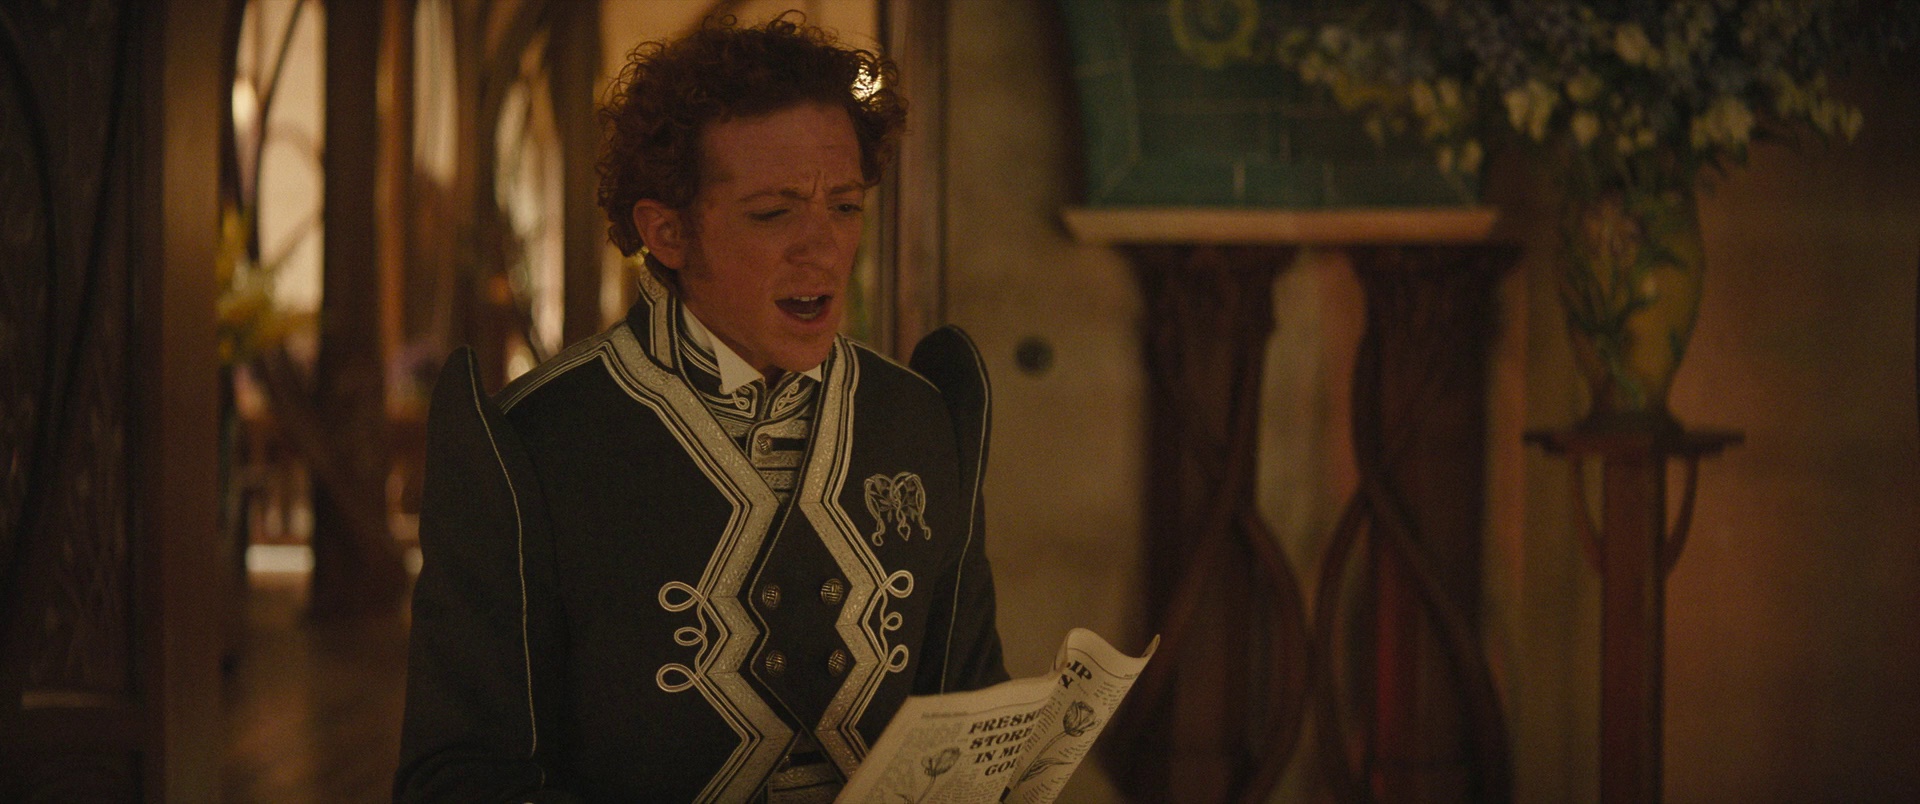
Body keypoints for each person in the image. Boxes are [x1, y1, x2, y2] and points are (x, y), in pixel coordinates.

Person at [394, 14, 1008, 803]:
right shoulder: (535, 444)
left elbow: (969, 704)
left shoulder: (918, 420)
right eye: (774, 212)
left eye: (845, 206)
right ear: (668, 232)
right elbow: (457, 778)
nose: (823, 247)